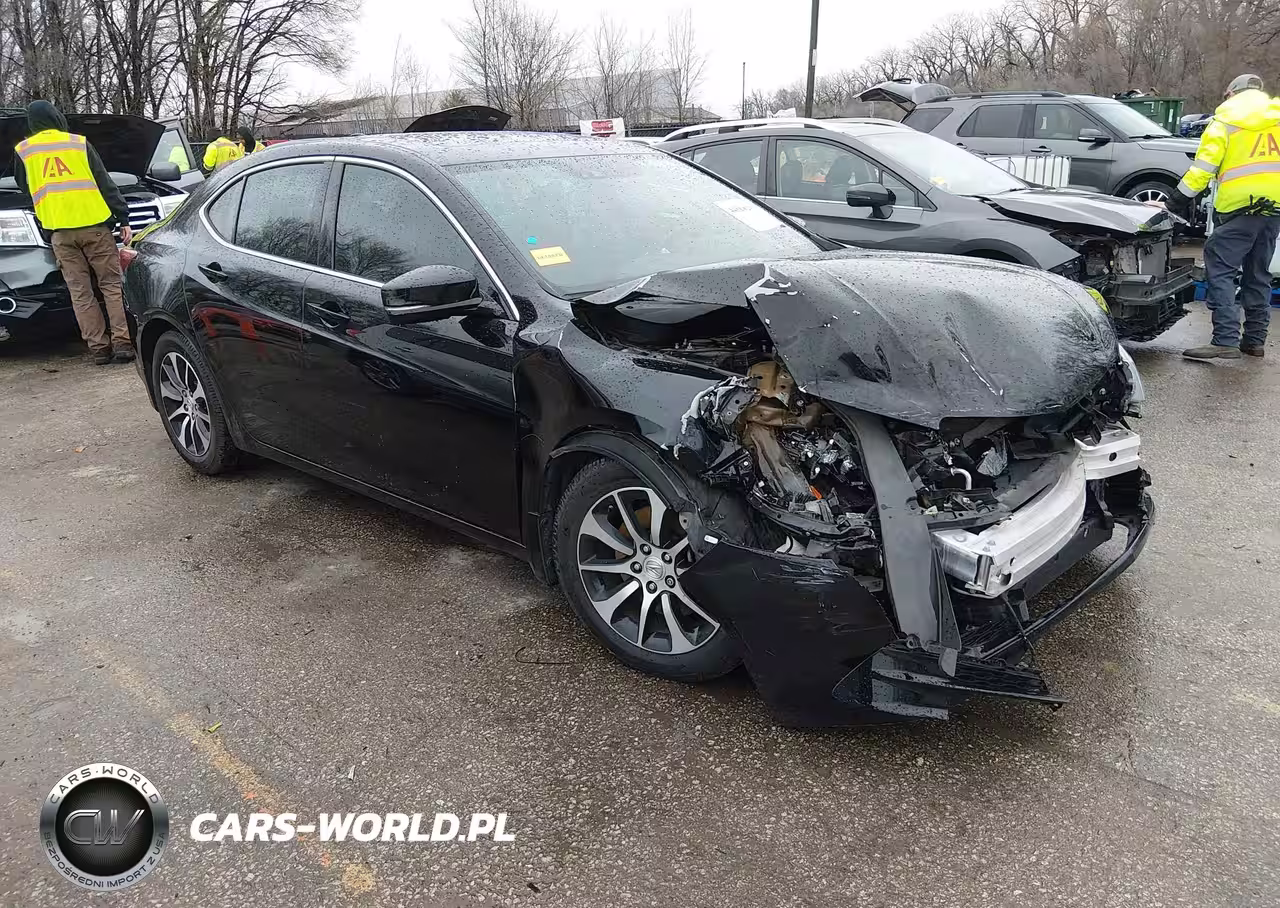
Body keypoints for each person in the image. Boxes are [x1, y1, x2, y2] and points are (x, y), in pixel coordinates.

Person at [13, 100, 134, 365]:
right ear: (56, 117)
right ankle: (123, 344)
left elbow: (25, 189)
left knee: (81, 293)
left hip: (60, 234)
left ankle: (99, 349)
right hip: (95, 228)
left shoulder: (23, 151)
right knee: (111, 286)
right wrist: (123, 217)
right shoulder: (77, 143)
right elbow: (105, 182)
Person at [1171, 74, 1280, 360]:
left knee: (1220, 269)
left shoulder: (1225, 122)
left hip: (1238, 208)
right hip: (1273, 210)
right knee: (1258, 273)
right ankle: (1254, 341)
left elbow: (1202, 169)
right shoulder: (1277, 118)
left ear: (1231, 94)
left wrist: (1175, 201)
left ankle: (1225, 340)